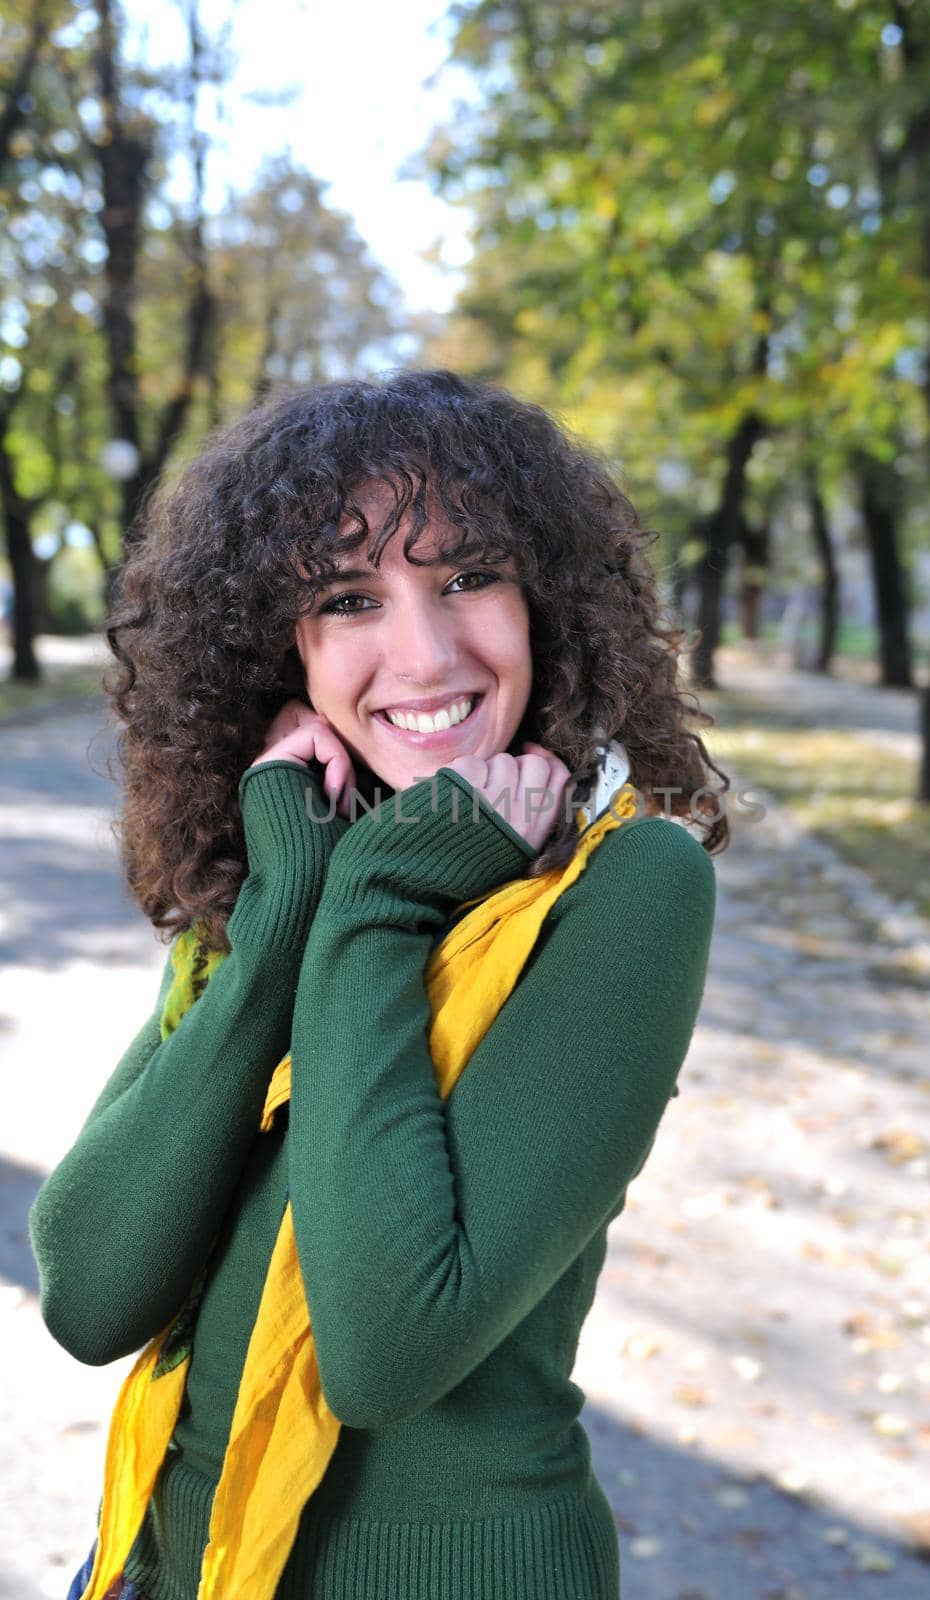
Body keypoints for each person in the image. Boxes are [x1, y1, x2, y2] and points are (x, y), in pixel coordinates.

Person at [30, 369, 728, 1600]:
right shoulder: (281, 861)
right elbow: (90, 1294)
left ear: (547, 601)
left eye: (468, 576)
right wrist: (288, 917)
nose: (423, 651)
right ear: (277, 646)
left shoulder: (626, 889)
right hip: (162, 1558)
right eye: (349, 598)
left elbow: (387, 1344)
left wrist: (377, 903)